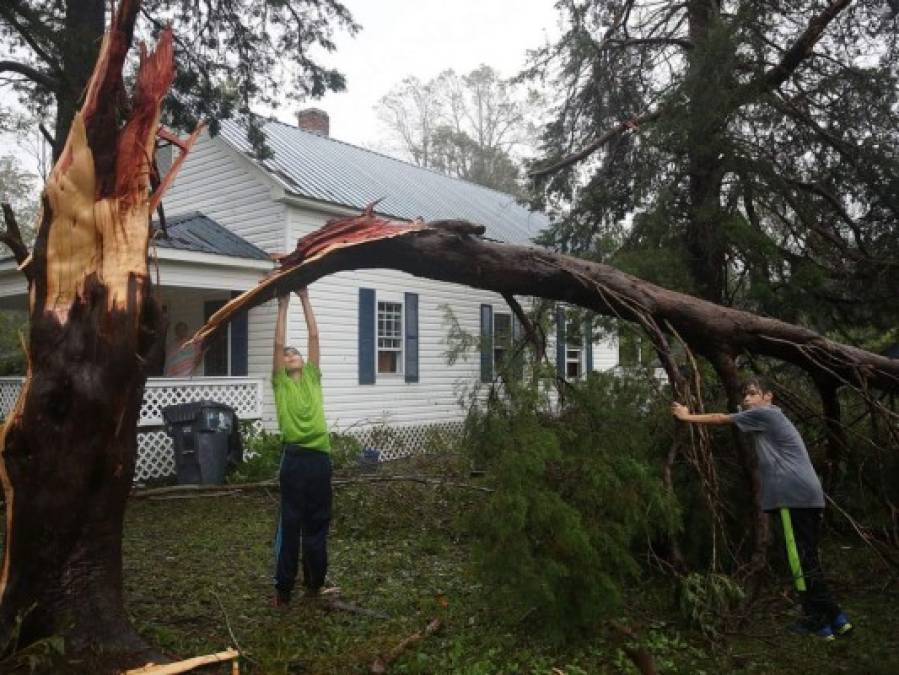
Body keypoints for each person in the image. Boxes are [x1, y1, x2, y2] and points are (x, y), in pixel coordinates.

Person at [671, 376, 852, 640]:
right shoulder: (771, 420)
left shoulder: (766, 415)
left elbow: (721, 418)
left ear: (768, 397)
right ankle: (837, 618)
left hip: (792, 496)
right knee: (808, 557)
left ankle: (818, 623)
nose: (747, 399)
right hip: (807, 496)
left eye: (753, 394)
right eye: (745, 395)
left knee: (798, 560)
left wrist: (687, 417)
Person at [271, 287, 335, 607]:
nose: (291, 355)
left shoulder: (312, 376)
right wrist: (283, 305)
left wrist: (306, 297)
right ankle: (283, 589)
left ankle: (314, 584)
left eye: (294, 354)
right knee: (291, 523)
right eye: (287, 355)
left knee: (317, 523)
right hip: (294, 459)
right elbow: (278, 343)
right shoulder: (280, 383)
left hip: (320, 458)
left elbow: (313, 335)